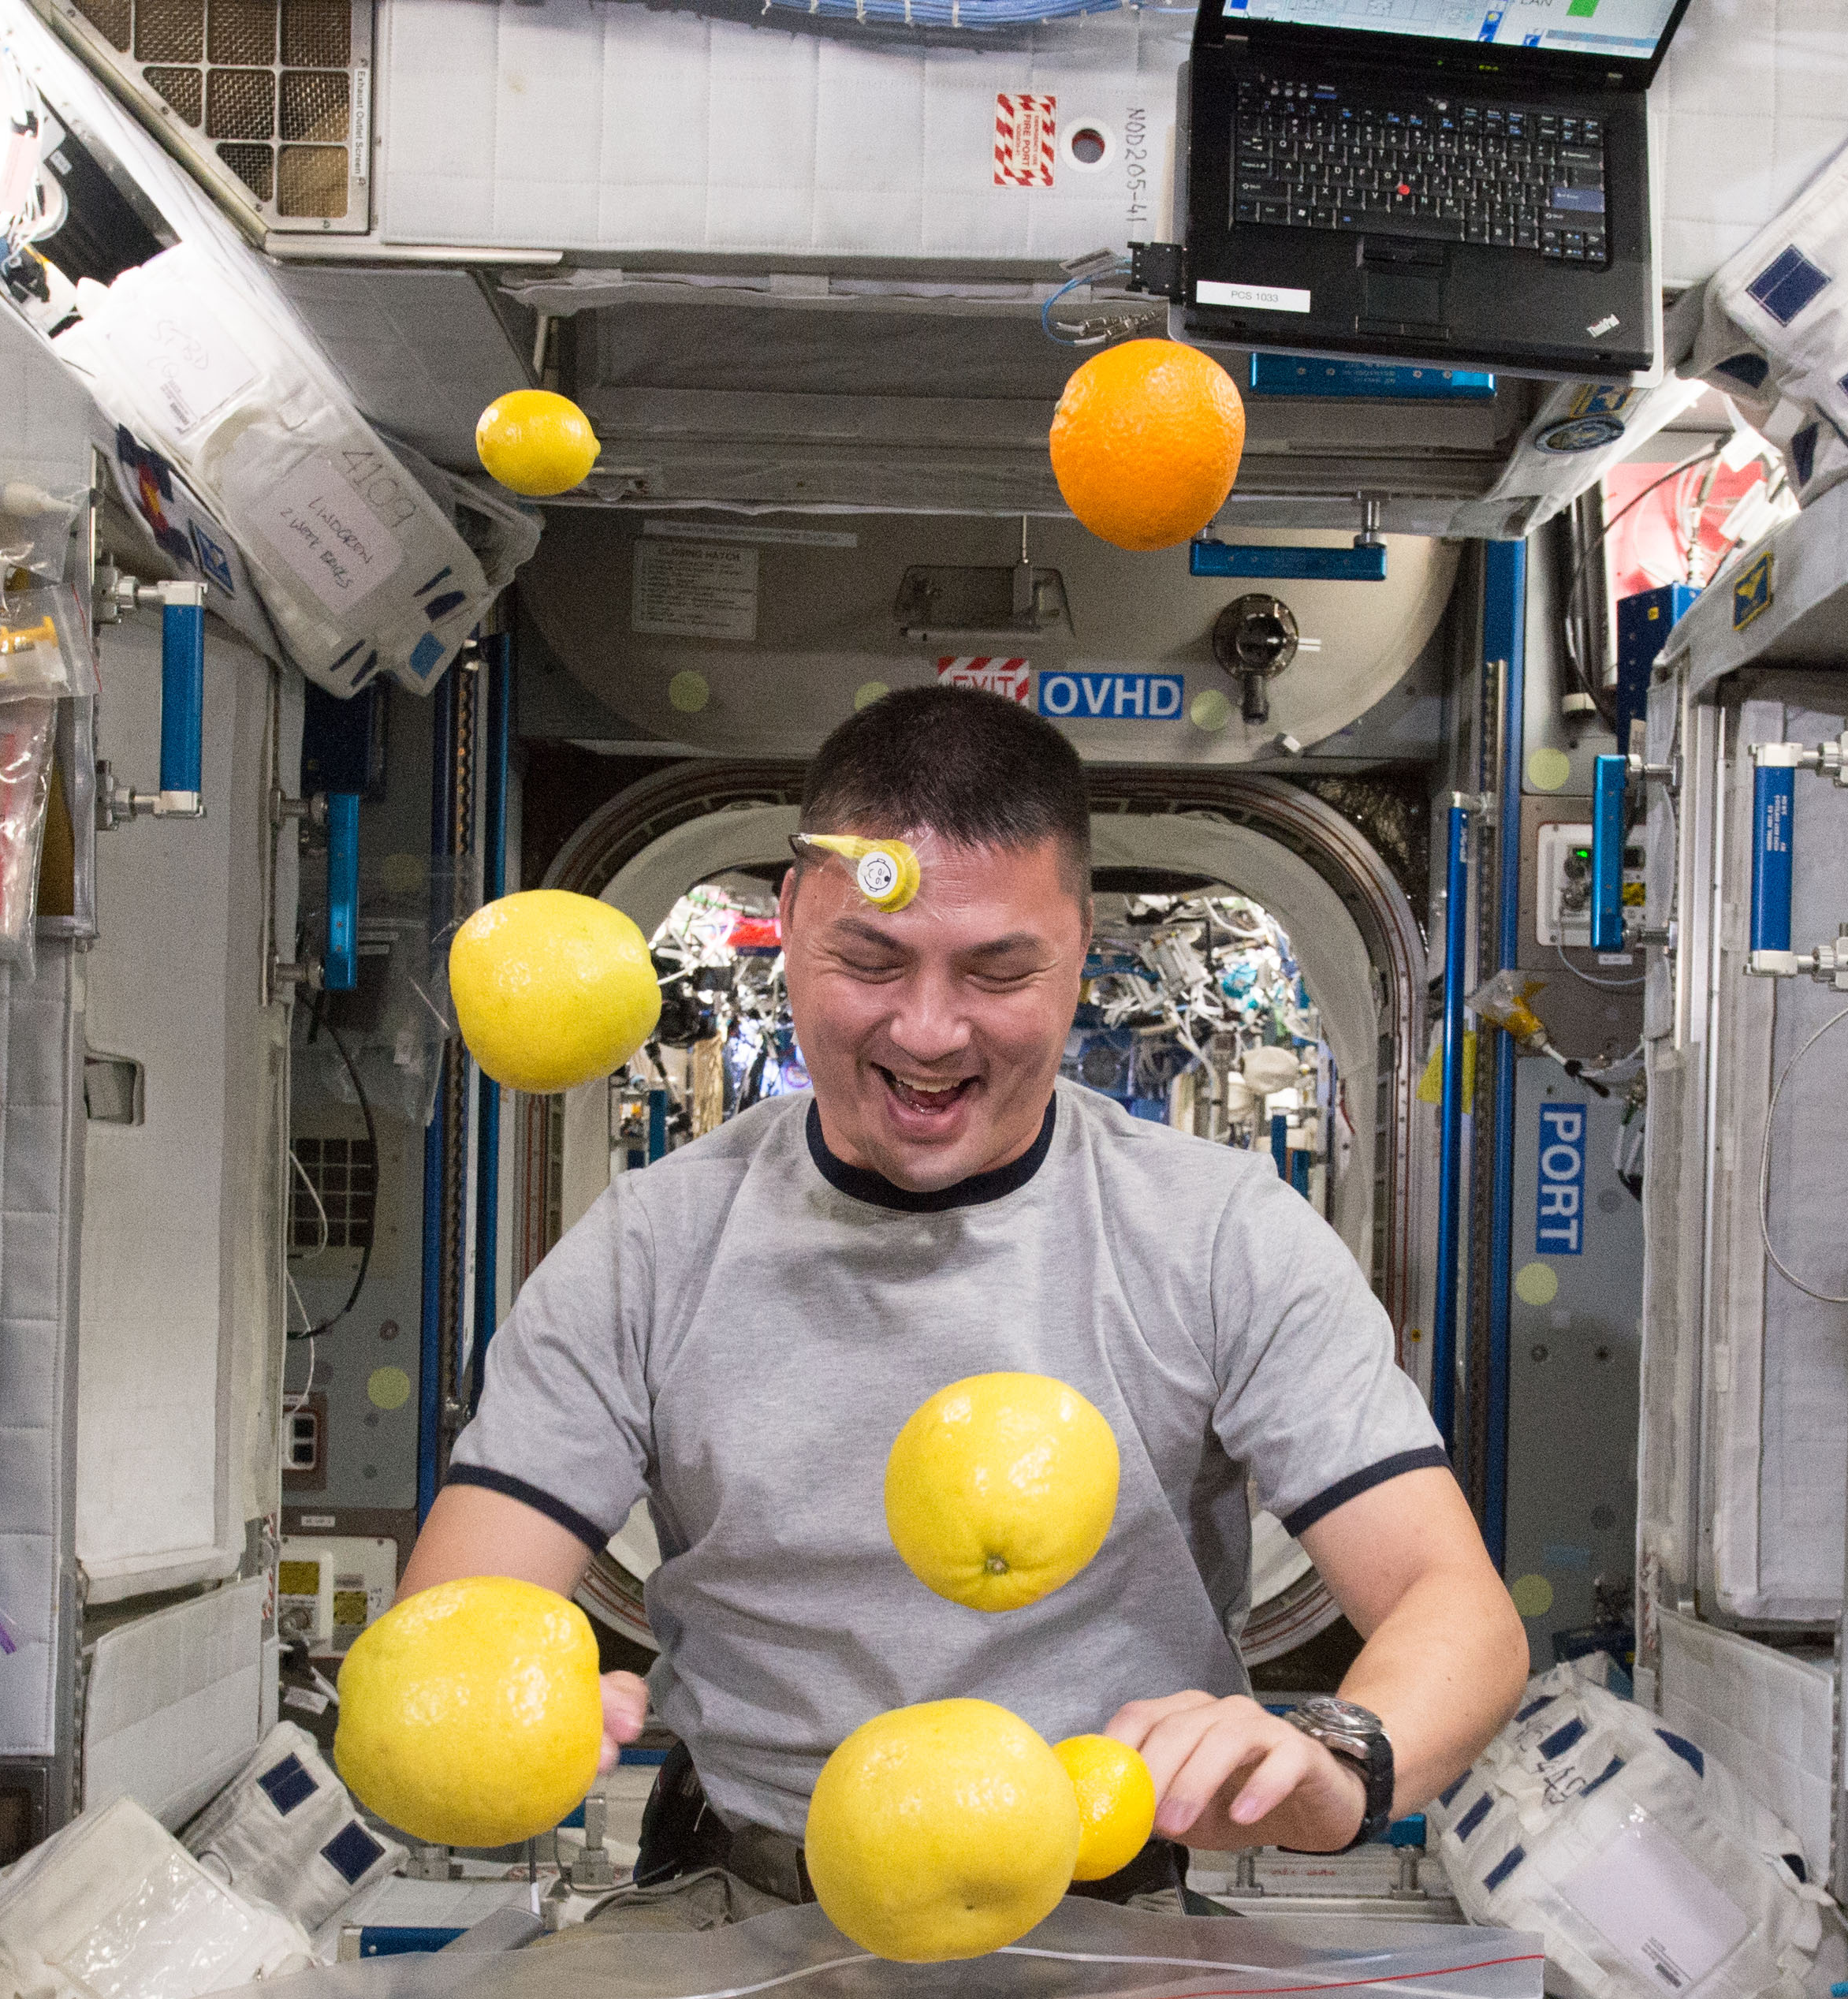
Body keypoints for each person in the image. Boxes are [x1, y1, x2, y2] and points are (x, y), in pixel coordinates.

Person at [397, 684, 1527, 1923]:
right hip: (743, 1903)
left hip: (1102, 1913)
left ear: (1079, 951)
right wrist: (498, 1698)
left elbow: (1452, 1605)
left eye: (997, 971)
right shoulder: (651, 1251)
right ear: (791, 920)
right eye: (870, 961)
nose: (928, 1032)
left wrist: (1341, 1759)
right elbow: (461, 1615)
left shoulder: (1220, 1239)